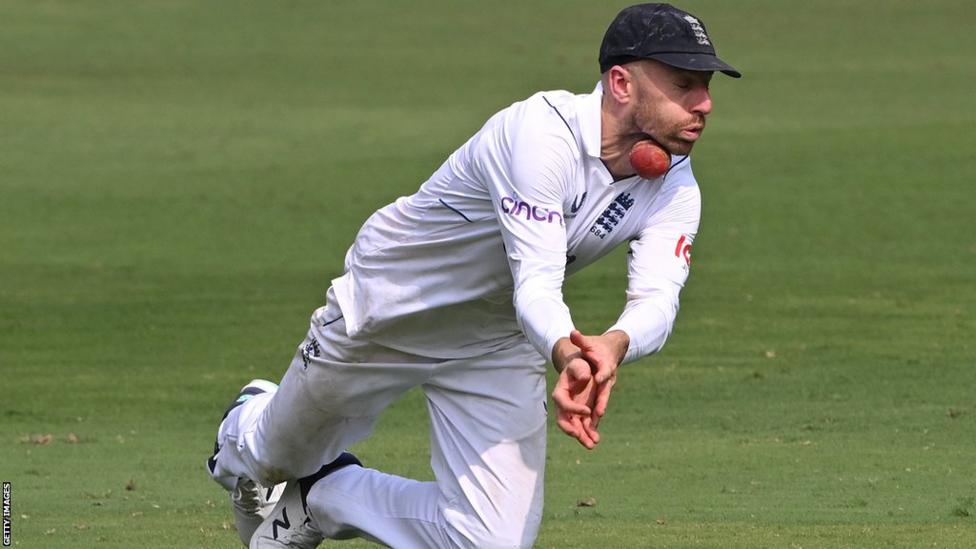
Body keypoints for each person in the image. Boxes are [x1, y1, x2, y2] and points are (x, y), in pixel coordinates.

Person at [206, 3, 740, 547]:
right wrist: (566, 351)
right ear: (621, 83)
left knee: (491, 542)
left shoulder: (676, 185)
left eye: (706, 86)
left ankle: (323, 497)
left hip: (494, 340)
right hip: (392, 308)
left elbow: (659, 297)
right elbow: (537, 283)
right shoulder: (540, 135)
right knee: (273, 460)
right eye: (684, 84)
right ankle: (246, 416)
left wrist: (611, 346)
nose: (704, 104)